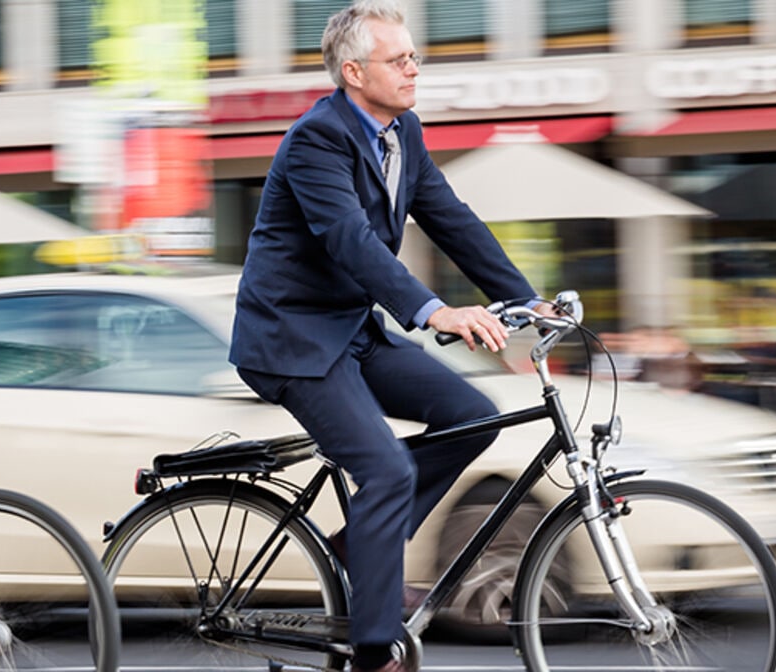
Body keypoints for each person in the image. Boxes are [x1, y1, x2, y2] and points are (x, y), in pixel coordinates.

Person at [228, 2, 552, 670]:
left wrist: (523, 299)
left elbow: (450, 218)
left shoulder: (403, 131)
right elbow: (349, 240)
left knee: (471, 416)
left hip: (351, 329)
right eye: (398, 59)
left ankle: (361, 548)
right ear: (353, 71)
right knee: (385, 467)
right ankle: (375, 652)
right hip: (293, 341)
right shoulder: (317, 139)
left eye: (413, 56)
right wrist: (434, 311)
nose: (413, 68)